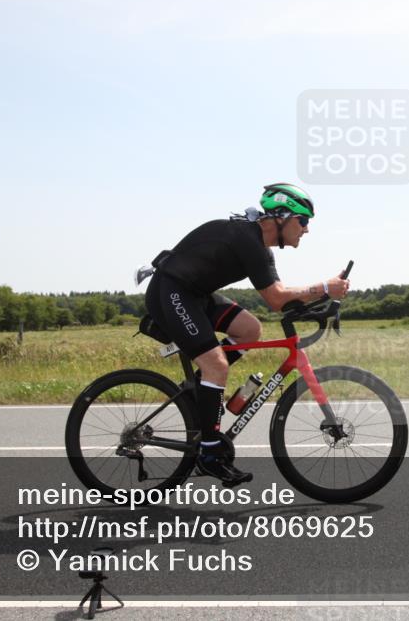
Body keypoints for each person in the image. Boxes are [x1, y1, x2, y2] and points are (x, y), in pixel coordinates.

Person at [144, 183, 350, 486]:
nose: (306, 229)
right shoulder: (246, 239)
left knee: (250, 330)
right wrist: (324, 288)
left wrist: (319, 302)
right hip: (171, 291)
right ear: (281, 217)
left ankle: (203, 388)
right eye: (303, 220)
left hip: (195, 295)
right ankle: (210, 453)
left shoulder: (261, 249)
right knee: (216, 366)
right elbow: (277, 298)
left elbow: (280, 298)